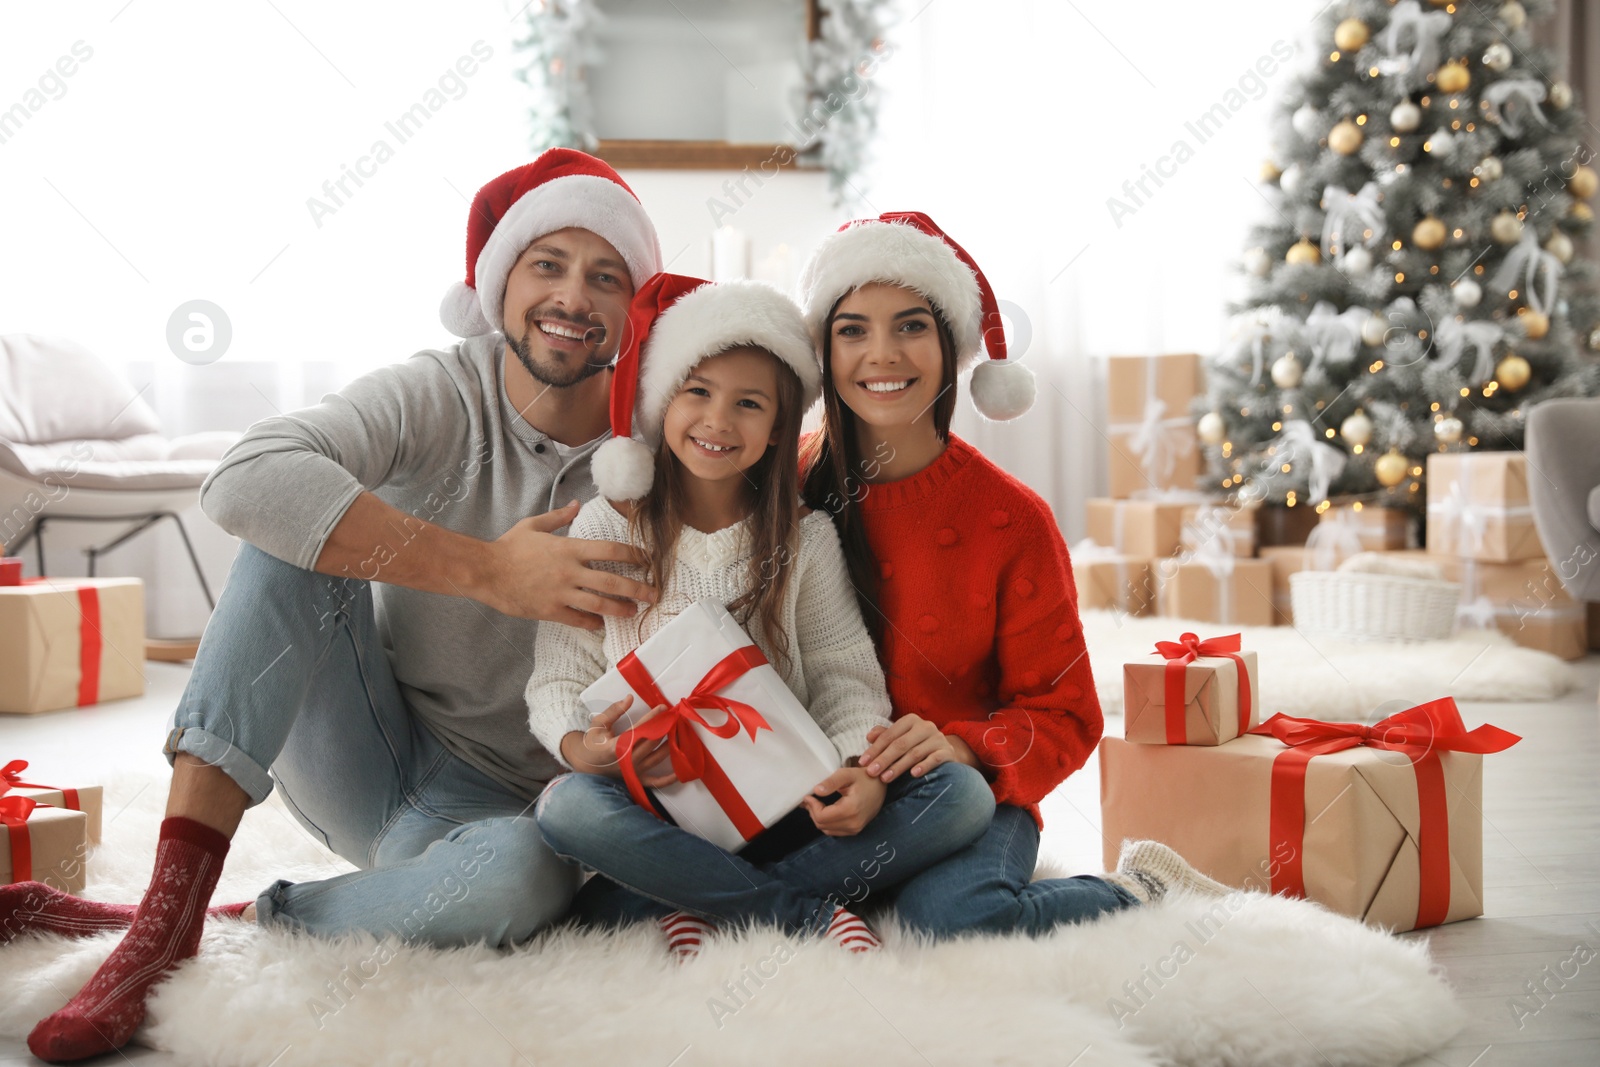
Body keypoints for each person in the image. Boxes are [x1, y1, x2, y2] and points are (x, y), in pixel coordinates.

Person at [10, 149, 666, 1063]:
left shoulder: (668, 434)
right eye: (547, 264)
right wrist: (487, 571)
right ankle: (159, 931)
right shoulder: (442, 390)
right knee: (292, 530)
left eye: (606, 276)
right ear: (499, 281)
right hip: (365, 749)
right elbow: (247, 476)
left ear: (636, 307)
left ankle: (225, 914)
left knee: (524, 883)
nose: (573, 296)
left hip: (505, 818)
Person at [527, 273, 995, 957]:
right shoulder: (606, 526)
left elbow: (845, 678)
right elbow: (555, 681)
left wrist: (856, 771)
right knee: (565, 808)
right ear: (663, 401)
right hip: (655, 807)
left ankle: (694, 897)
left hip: (790, 809)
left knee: (962, 794)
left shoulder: (807, 537)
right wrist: (585, 749)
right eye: (698, 393)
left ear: (779, 431)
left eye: (749, 404)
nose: (718, 421)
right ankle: (792, 908)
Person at [796, 212, 1227, 939]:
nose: (882, 354)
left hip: (969, 793)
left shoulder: (1011, 519)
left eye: (910, 326)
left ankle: (1141, 887)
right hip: (825, 784)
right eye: (852, 330)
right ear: (823, 348)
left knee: (949, 917)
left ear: (950, 345)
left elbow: (1067, 714)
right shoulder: (788, 481)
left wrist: (962, 744)